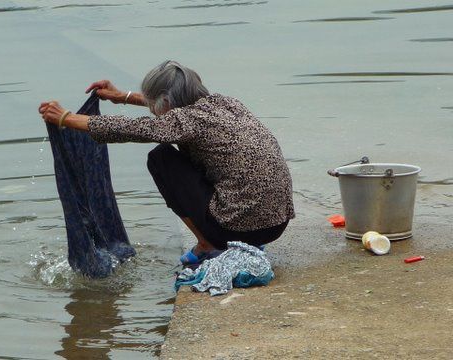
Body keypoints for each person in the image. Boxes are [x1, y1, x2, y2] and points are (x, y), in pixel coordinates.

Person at [39, 60, 295, 266]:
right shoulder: (226, 103)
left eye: (155, 104)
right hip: (275, 225)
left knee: (161, 158)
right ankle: (225, 237)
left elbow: (131, 129)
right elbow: (166, 107)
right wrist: (123, 96)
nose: (151, 108)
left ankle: (207, 243)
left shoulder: (187, 121)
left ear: (167, 103)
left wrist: (67, 118)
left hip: (240, 230)